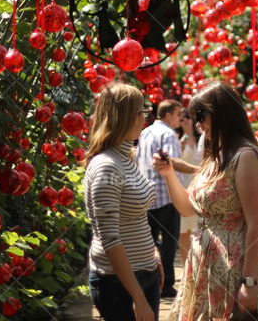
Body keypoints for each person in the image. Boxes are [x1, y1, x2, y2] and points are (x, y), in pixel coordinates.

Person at [153, 82, 258, 320]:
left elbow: (255, 224)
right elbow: (188, 208)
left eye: (201, 116)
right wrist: (169, 173)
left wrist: (249, 281)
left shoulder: (246, 156)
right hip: (205, 263)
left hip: (235, 265)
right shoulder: (216, 156)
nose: (198, 124)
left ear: (222, 113)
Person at [83, 84, 162, 321]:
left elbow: (135, 217)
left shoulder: (126, 158)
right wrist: (138, 297)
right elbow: (110, 237)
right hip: (119, 283)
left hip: (143, 273)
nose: (145, 119)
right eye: (142, 112)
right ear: (125, 116)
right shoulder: (107, 165)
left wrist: (152, 253)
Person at [137, 99, 184, 298]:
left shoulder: (145, 132)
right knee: (169, 243)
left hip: (147, 194)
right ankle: (166, 285)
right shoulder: (168, 134)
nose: (180, 118)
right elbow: (170, 163)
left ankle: (149, 282)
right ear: (167, 115)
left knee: (149, 243)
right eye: (177, 114)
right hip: (167, 196)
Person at [176, 107, 204, 264]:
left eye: (187, 117)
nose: (185, 120)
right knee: (184, 231)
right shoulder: (177, 137)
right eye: (181, 118)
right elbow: (174, 160)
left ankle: (198, 265)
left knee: (198, 229)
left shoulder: (202, 137)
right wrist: (181, 144)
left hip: (199, 184)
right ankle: (185, 265)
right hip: (184, 186)